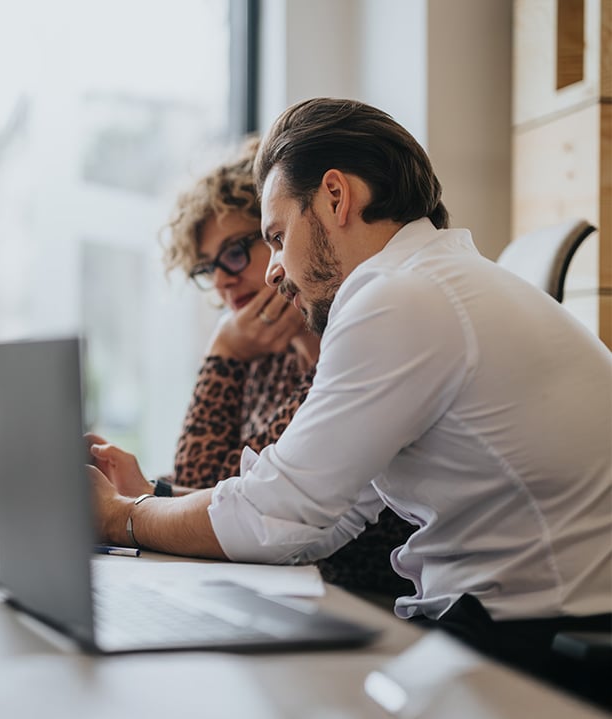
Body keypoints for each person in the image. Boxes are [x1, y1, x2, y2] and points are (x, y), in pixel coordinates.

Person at [89, 97, 611, 700]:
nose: (274, 270)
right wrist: (147, 501)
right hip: (529, 624)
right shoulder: (432, 282)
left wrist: (119, 517)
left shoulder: (400, 296)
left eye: (278, 237)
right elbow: (325, 515)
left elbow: (277, 515)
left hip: (538, 644)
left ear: (335, 197)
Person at [150, 136, 413, 599]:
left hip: (360, 600)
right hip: (288, 592)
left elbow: (241, 517)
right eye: (209, 268)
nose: (224, 280)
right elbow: (215, 494)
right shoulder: (265, 360)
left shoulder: (361, 341)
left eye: (236, 251)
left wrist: (221, 358)